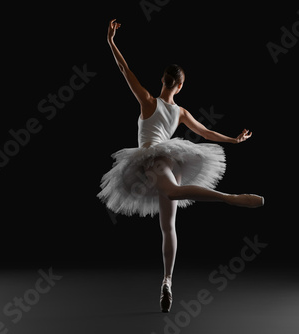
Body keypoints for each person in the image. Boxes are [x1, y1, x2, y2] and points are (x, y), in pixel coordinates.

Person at [98, 19, 264, 313]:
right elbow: (206, 133)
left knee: (173, 196)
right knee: (168, 226)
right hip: (171, 159)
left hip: (154, 158)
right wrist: (234, 140)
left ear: (163, 81)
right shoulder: (181, 111)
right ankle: (167, 281)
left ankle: (230, 198)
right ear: (180, 85)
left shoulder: (148, 101)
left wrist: (111, 42)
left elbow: (126, 71)